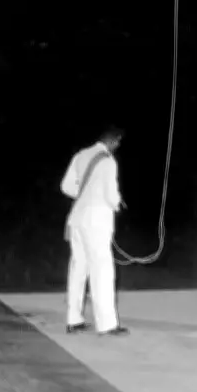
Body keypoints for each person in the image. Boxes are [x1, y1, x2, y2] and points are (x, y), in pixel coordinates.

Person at [60, 126, 129, 337]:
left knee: (78, 269)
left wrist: (85, 194)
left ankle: (73, 319)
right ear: (113, 141)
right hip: (97, 221)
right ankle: (106, 324)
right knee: (102, 271)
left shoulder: (80, 155)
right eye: (118, 143)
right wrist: (118, 204)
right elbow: (111, 195)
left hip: (77, 219)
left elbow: (66, 187)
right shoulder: (108, 161)